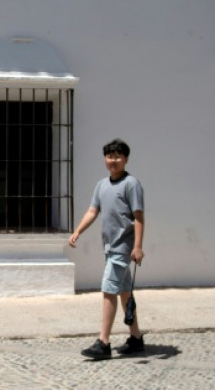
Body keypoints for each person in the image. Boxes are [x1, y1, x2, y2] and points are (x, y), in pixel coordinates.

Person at [68, 138, 145, 360]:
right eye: (110, 156)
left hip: (123, 247)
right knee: (123, 291)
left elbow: (138, 217)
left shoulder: (132, 184)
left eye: (118, 156)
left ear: (126, 159)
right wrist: (78, 231)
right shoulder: (101, 185)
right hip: (109, 248)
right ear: (105, 159)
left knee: (109, 290)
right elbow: (93, 211)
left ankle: (103, 342)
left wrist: (138, 246)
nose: (113, 160)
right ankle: (136, 338)